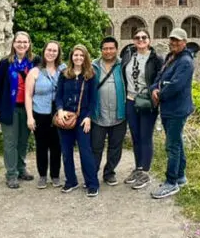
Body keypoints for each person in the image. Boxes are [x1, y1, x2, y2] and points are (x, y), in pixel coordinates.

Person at [150, 28, 195, 199]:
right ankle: (181, 176)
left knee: (172, 146)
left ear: (184, 42)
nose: (174, 43)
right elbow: (160, 78)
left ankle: (171, 182)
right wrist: (154, 88)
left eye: (177, 40)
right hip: (169, 109)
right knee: (177, 142)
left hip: (177, 110)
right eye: (172, 40)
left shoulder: (185, 62)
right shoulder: (171, 58)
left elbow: (175, 85)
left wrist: (159, 95)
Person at [119, 28, 162, 190]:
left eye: (144, 37)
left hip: (146, 102)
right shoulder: (128, 55)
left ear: (149, 40)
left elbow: (160, 78)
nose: (141, 40)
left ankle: (145, 172)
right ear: (133, 40)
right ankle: (138, 168)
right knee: (136, 137)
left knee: (145, 136)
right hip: (130, 100)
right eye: (137, 37)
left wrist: (156, 91)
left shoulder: (156, 59)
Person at [55, 44, 99, 197]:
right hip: (66, 116)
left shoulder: (91, 75)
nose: (78, 58)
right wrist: (60, 110)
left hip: (82, 118)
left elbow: (94, 100)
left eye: (81, 55)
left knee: (85, 151)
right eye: (75, 55)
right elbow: (58, 95)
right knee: (66, 152)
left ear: (85, 57)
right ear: (71, 57)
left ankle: (92, 183)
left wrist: (88, 117)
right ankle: (71, 181)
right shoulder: (64, 74)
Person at [0, 31, 36, 189]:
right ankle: (11, 174)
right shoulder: (5, 62)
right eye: (19, 42)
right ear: (13, 43)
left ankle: (21, 168)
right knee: (10, 142)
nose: (22, 45)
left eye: (25, 42)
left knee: (23, 140)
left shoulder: (34, 62)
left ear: (29, 44)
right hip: (8, 107)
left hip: (27, 108)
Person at [25, 40, 64, 189]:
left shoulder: (63, 69)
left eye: (54, 51)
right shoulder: (34, 72)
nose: (51, 53)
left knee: (57, 145)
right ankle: (42, 175)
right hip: (40, 112)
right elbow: (28, 95)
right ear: (44, 51)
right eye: (49, 50)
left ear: (58, 53)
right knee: (41, 145)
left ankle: (55, 175)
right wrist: (30, 116)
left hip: (57, 113)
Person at [91, 37, 127, 187]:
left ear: (116, 49)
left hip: (119, 114)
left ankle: (109, 173)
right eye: (105, 48)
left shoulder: (123, 65)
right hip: (98, 114)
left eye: (111, 48)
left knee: (115, 147)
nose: (108, 51)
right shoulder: (93, 66)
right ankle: (92, 174)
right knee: (96, 146)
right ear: (101, 50)